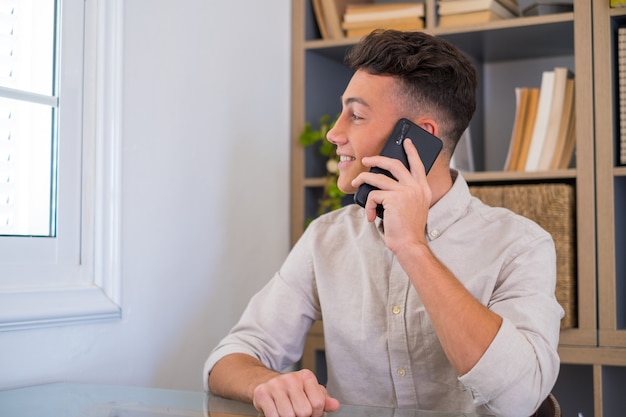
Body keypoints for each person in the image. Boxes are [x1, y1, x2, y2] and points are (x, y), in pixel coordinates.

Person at [204, 29, 564, 417]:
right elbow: (230, 356)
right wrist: (266, 383)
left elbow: (522, 396)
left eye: (355, 115)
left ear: (417, 139)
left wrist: (412, 247)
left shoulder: (521, 245)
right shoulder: (327, 238)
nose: (333, 133)